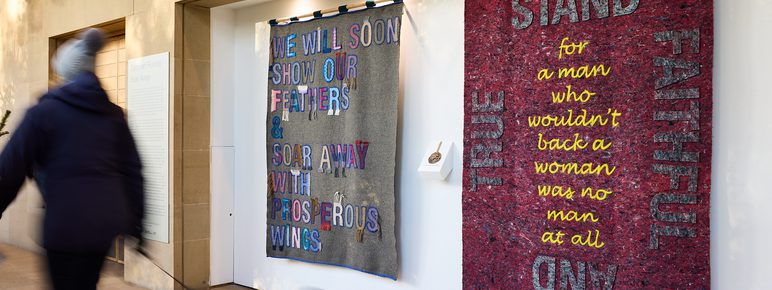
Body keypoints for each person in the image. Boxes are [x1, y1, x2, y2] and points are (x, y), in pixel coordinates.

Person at [0, 28, 144, 290]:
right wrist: (137, 224)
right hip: (103, 228)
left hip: (64, 226)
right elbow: (133, 172)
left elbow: (10, 168)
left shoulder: (43, 112)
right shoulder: (114, 116)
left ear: (64, 73)